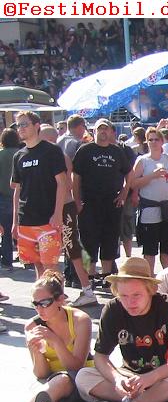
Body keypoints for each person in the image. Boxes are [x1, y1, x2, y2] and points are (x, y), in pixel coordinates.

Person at [75, 257, 168, 402]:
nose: (130, 302)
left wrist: (150, 378)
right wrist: (117, 379)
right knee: (83, 377)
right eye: (124, 296)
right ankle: (158, 401)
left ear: (151, 290)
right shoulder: (113, 309)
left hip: (165, 374)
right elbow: (100, 356)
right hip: (129, 375)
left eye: (136, 295)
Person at [0, 270, 92, 402]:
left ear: (60, 300)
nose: (39, 309)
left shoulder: (80, 320)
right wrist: (36, 351)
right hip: (52, 382)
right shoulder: (32, 326)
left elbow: (76, 365)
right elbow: (41, 373)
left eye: (44, 303)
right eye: (35, 304)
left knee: (61, 382)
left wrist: (55, 341)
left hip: (81, 378)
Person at [39, 124, 96, 307]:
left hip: (64, 208)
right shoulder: (48, 156)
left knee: (72, 249)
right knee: (54, 251)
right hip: (55, 208)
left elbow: (67, 185)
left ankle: (87, 289)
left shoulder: (58, 156)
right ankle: (57, 291)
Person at [72, 118, 132, 285]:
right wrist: (77, 201)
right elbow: (75, 177)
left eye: (106, 129)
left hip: (112, 203)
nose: (103, 132)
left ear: (111, 132)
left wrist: (124, 193)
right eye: (100, 129)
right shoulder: (85, 150)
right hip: (89, 203)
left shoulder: (117, 151)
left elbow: (129, 173)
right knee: (87, 242)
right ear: (94, 131)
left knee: (110, 240)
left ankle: (106, 277)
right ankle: (89, 277)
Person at [10, 111, 68, 278]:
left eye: (24, 124)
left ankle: (56, 294)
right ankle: (41, 295)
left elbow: (62, 183)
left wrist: (58, 213)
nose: (20, 128)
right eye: (18, 125)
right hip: (26, 220)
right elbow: (17, 189)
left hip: (47, 219)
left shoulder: (51, 151)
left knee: (51, 265)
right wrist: (15, 222)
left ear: (36, 126)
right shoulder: (18, 155)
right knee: (37, 264)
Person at [129, 127, 168, 272]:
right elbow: (133, 183)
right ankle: (150, 280)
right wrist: (152, 176)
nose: (153, 142)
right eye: (150, 139)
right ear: (146, 141)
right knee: (149, 252)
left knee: (167, 251)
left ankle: (166, 280)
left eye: (156, 139)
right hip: (150, 211)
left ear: (162, 141)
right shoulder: (143, 161)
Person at [0, 127, 20, 271]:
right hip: (22, 196)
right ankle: (28, 258)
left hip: (3, 197)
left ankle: (7, 261)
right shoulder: (22, 154)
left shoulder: (1, 155)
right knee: (24, 229)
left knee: (6, 231)